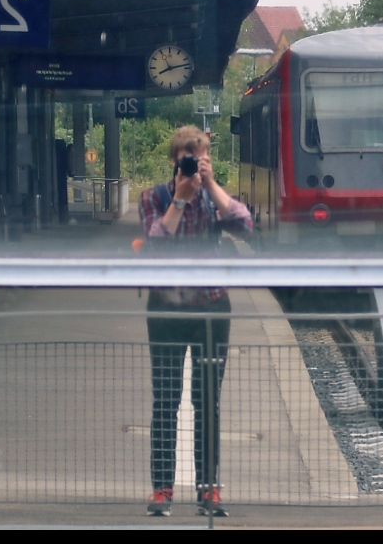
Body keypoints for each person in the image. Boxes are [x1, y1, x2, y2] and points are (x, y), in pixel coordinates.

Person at [137, 125, 251, 518]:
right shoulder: (155, 197)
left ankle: (209, 490)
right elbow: (153, 243)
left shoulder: (213, 198)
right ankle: (162, 489)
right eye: (187, 158)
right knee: (165, 400)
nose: (191, 165)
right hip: (167, 309)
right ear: (174, 161)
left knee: (208, 403)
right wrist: (181, 201)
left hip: (211, 309)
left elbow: (244, 225)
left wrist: (212, 185)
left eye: (200, 158)